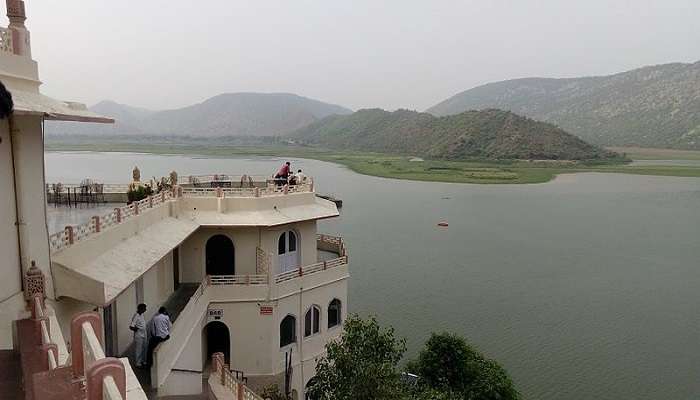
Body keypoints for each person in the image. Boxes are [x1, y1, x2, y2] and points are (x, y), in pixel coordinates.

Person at [129, 303, 148, 368]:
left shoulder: (142, 315)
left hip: (144, 334)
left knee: (144, 348)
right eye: (144, 308)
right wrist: (137, 329)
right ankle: (138, 363)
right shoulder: (136, 316)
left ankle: (143, 361)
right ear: (141, 309)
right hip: (139, 335)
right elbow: (131, 326)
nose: (145, 309)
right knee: (139, 349)